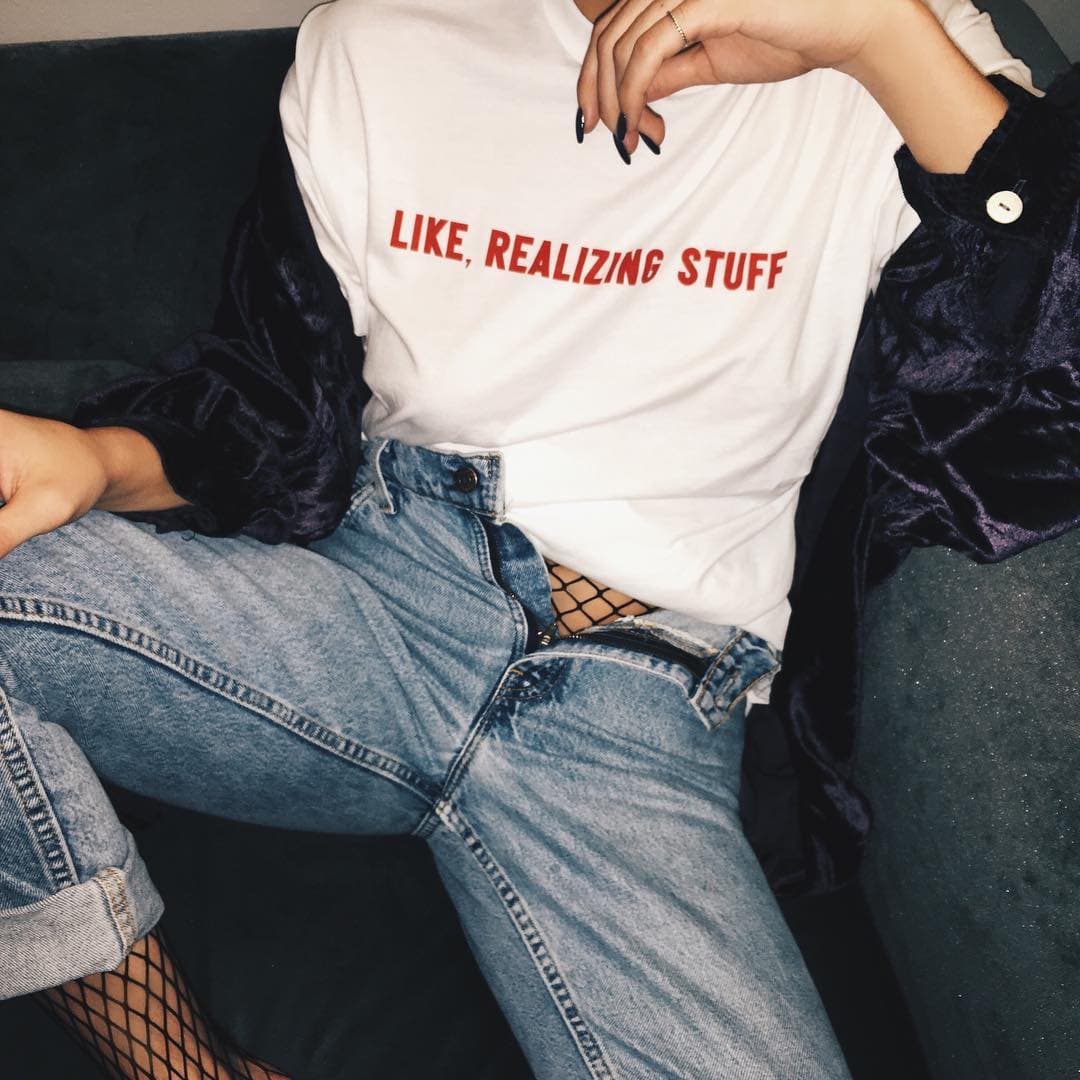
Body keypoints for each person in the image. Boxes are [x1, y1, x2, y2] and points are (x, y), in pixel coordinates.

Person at [1, 0, 1076, 1077]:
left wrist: (877, 39)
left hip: (640, 699)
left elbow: (1049, 394)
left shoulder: (897, 38)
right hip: (378, 606)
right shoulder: (378, 41)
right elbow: (276, 395)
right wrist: (99, 459)